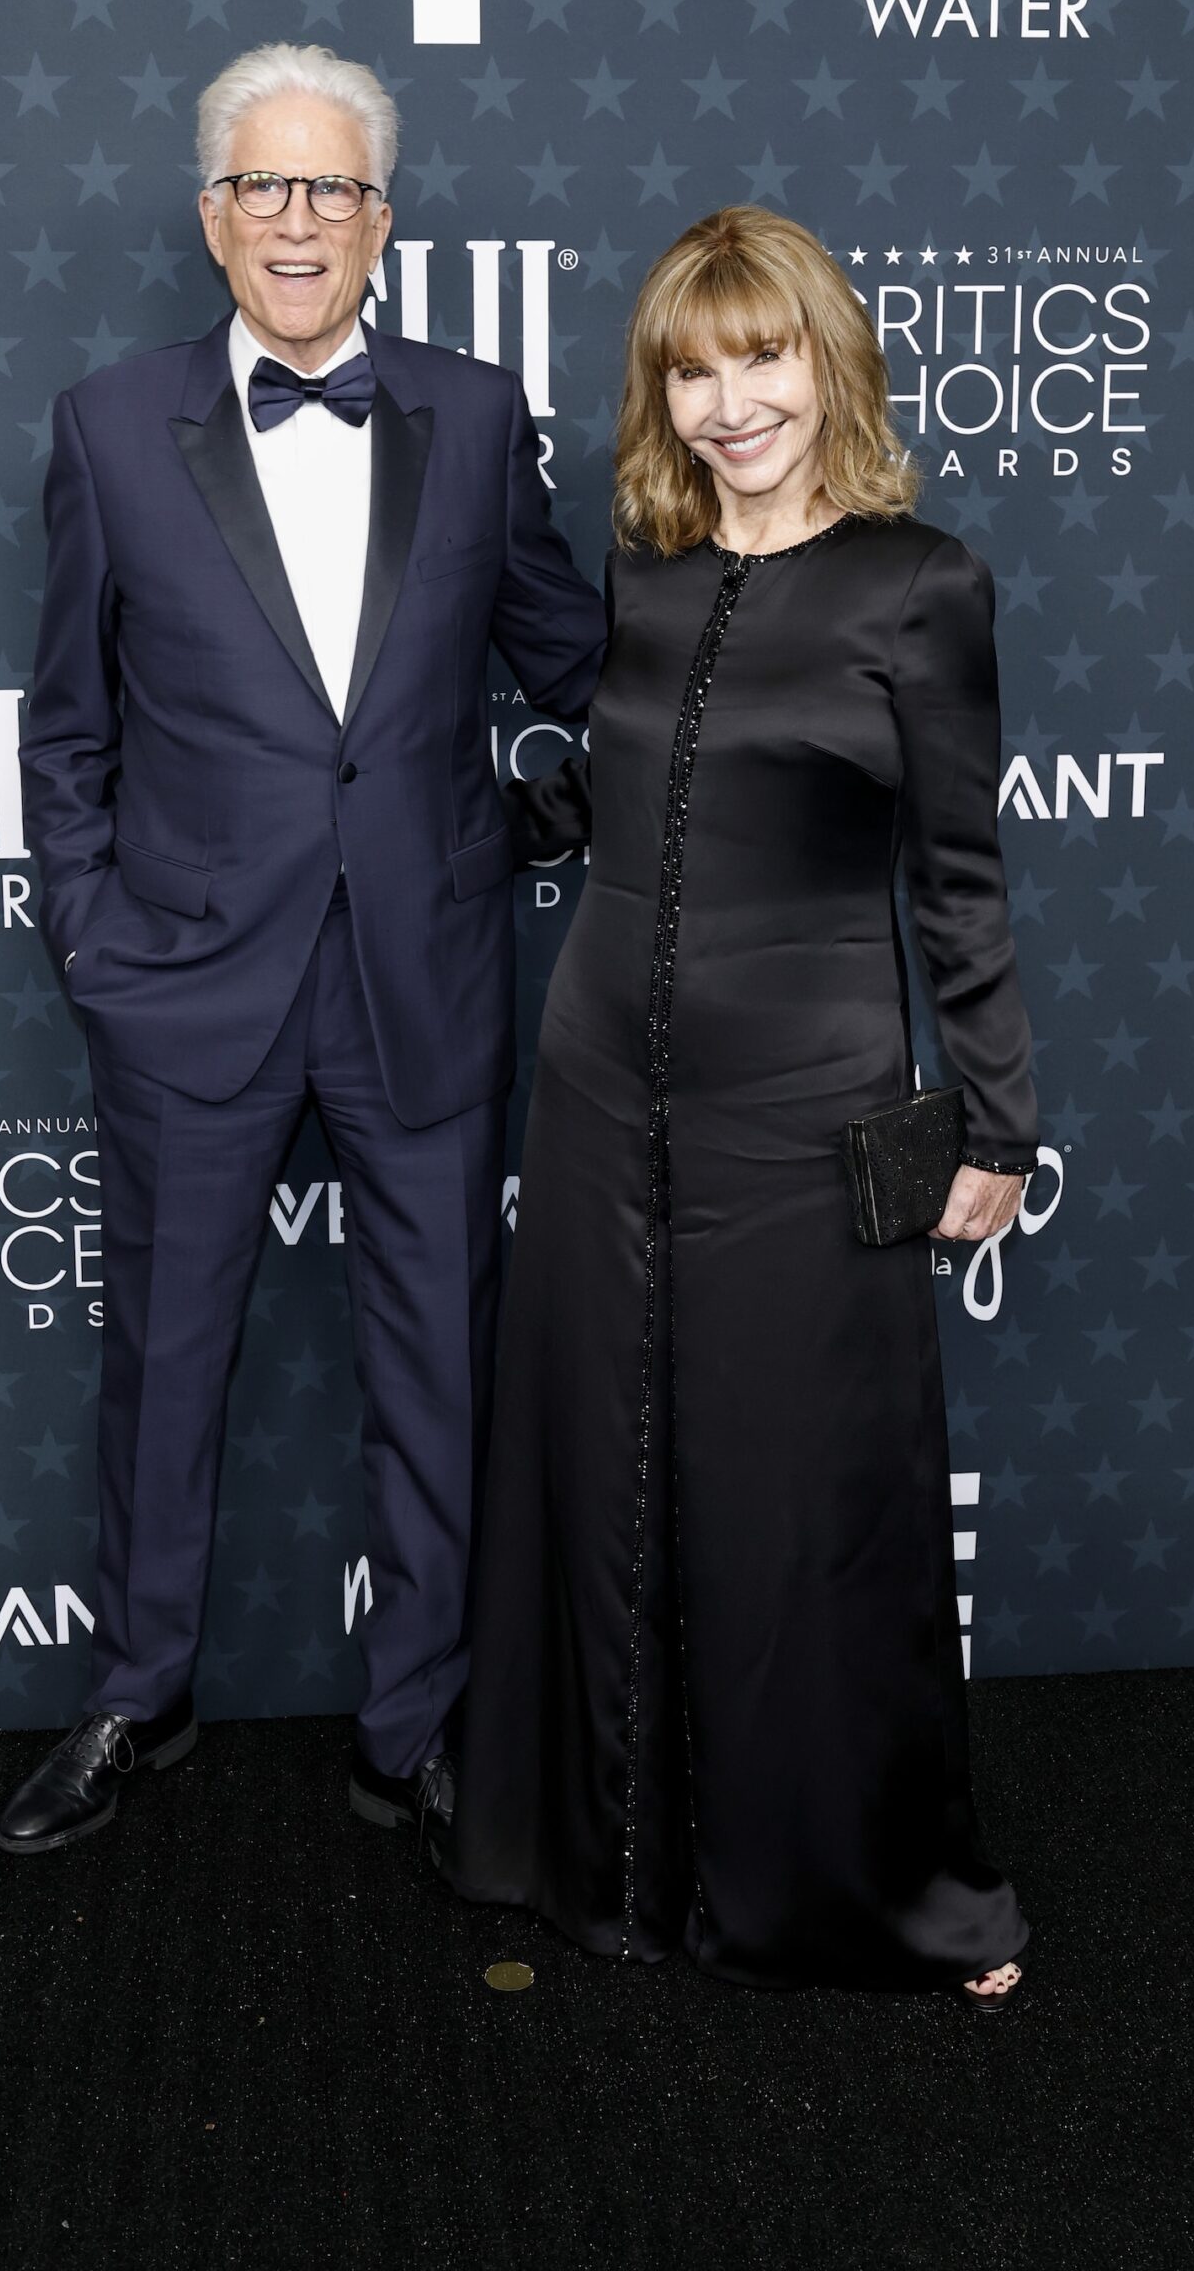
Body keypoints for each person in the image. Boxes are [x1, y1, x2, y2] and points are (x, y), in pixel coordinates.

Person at [0, 42, 606, 1858]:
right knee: (164, 1365)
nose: (297, 221)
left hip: (422, 971)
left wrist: (573, 780)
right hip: (188, 982)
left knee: (438, 1370)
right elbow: (62, 728)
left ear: (383, 225)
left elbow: (569, 655)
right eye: (264, 187)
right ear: (210, 218)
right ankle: (135, 1695)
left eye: (332, 190)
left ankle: (416, 1723)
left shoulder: (480, 418)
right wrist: (97, 941)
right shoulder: (112, 424)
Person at [449, 206, 1037, 2011]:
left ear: (829, 360)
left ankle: (892, 1898)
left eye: (762, 358)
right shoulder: (641, 574)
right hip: (602, 1089)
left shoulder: (919, 582)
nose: (730, 404)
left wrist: (998, 1126)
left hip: (807, 1105)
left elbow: (958, 880)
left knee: (809, 1508)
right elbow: (626, 809)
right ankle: (609, 1866)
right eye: (693, 373)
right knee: (607, 1474)